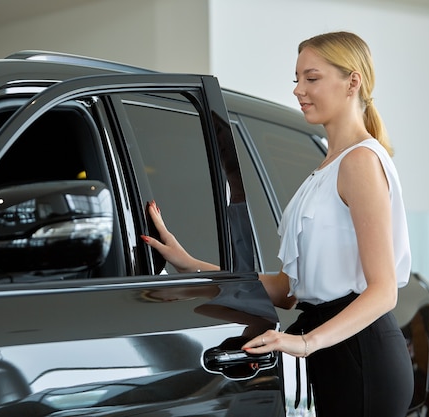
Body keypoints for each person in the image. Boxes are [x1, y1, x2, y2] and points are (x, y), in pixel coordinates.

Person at [141, 31, 414, 416]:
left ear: (352, 81)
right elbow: (287, 290)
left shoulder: (360, 162)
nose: (299, 90)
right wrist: (193, 266)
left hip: (361, 352)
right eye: (296, 79)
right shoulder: (325, 168)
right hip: (334, 353)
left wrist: (306, 343)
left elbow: (384, 291)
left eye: (312, 78)